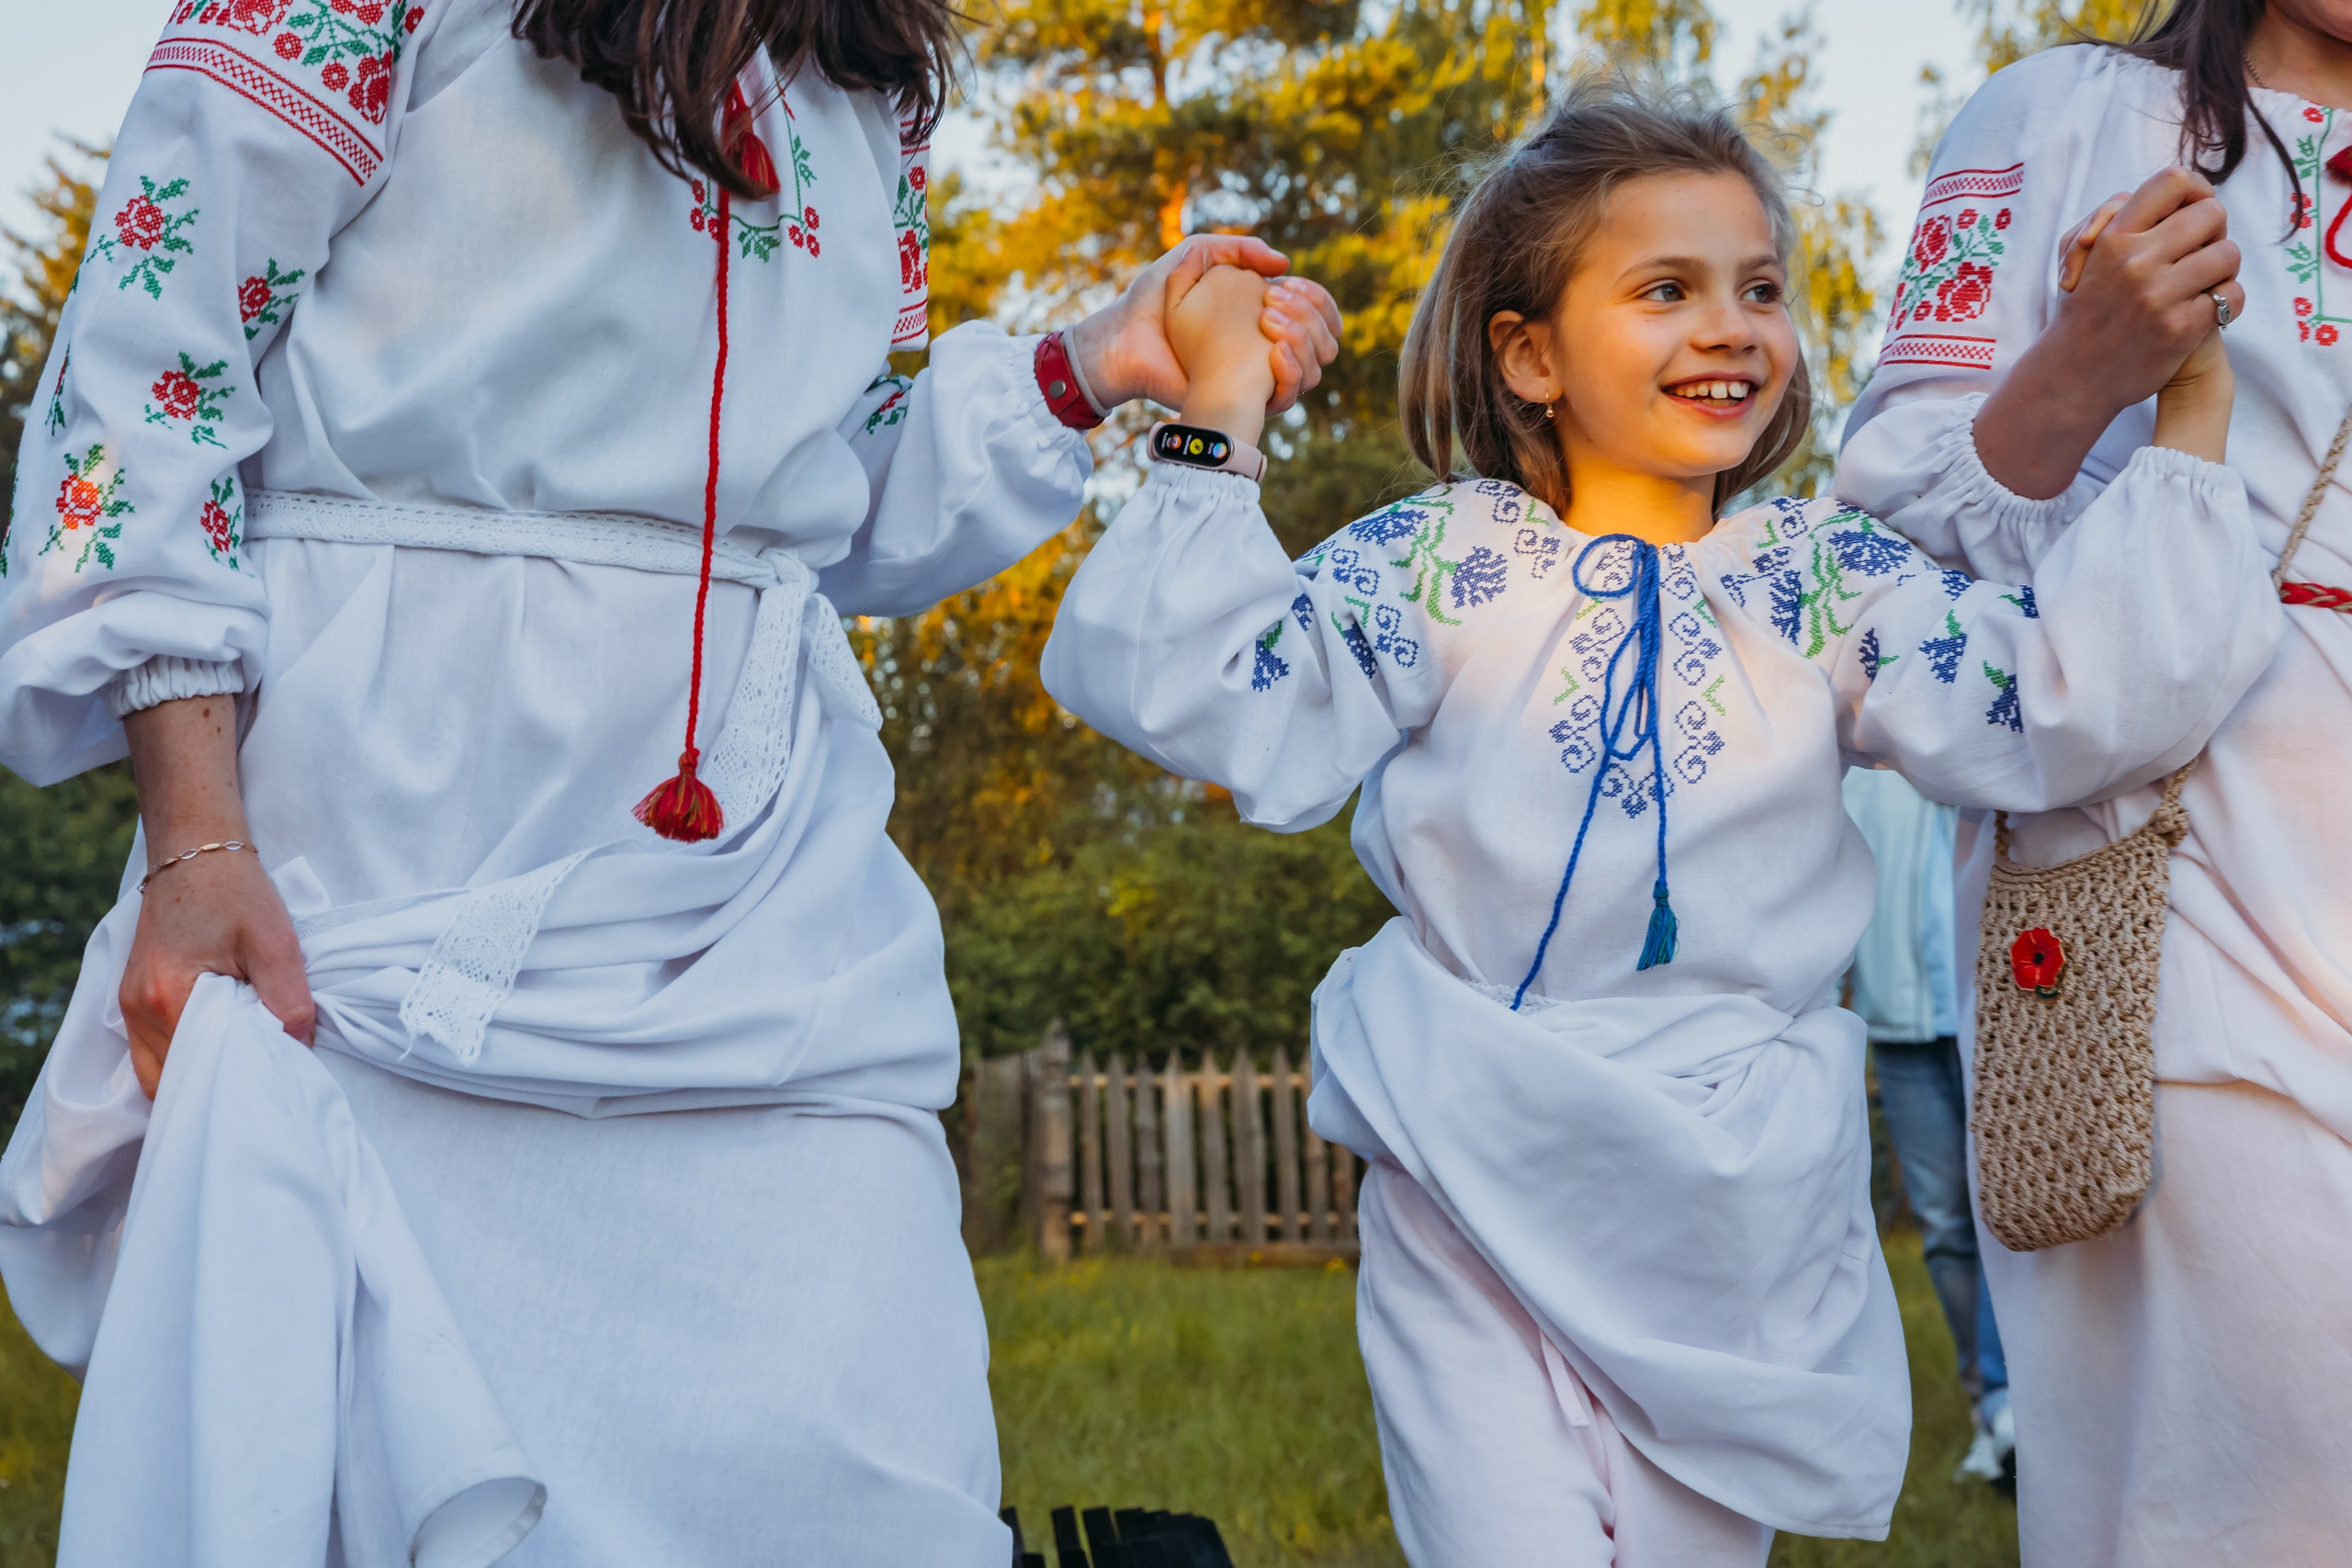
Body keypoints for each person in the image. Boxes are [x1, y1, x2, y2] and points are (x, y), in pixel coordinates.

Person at [0, 0, 1339, 1560]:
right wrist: (193, 841)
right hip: (387, 877)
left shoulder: (863, 81)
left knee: (866, 1469)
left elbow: (830, 498)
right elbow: (153, 373)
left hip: (775, 912)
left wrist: (1096, 358)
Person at [1038, 83, 2273, 1565]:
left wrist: (2188, 412)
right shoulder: (1449, 562)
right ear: (1532, 353)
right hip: (1471, 1173)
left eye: (1761, 288)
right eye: (1666, 289)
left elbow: (2067, 703)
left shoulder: (1823, 578)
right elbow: (1210, 697)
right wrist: (1215, 420)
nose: (1731, 327)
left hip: (1728, 1214)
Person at [1838, 4, 2352, 1560]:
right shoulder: (2052, 114)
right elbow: (1900, 534)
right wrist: (2089, 362)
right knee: (2249, 1478)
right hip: (2174, 878)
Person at [1839, 768, 2012, 1485]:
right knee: (1944, 1227)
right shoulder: (1865, 746)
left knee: (2012, 1218)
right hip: (1904, 1024)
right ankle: (1993, 1411)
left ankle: (2031, 1407)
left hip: (2000, 1011)